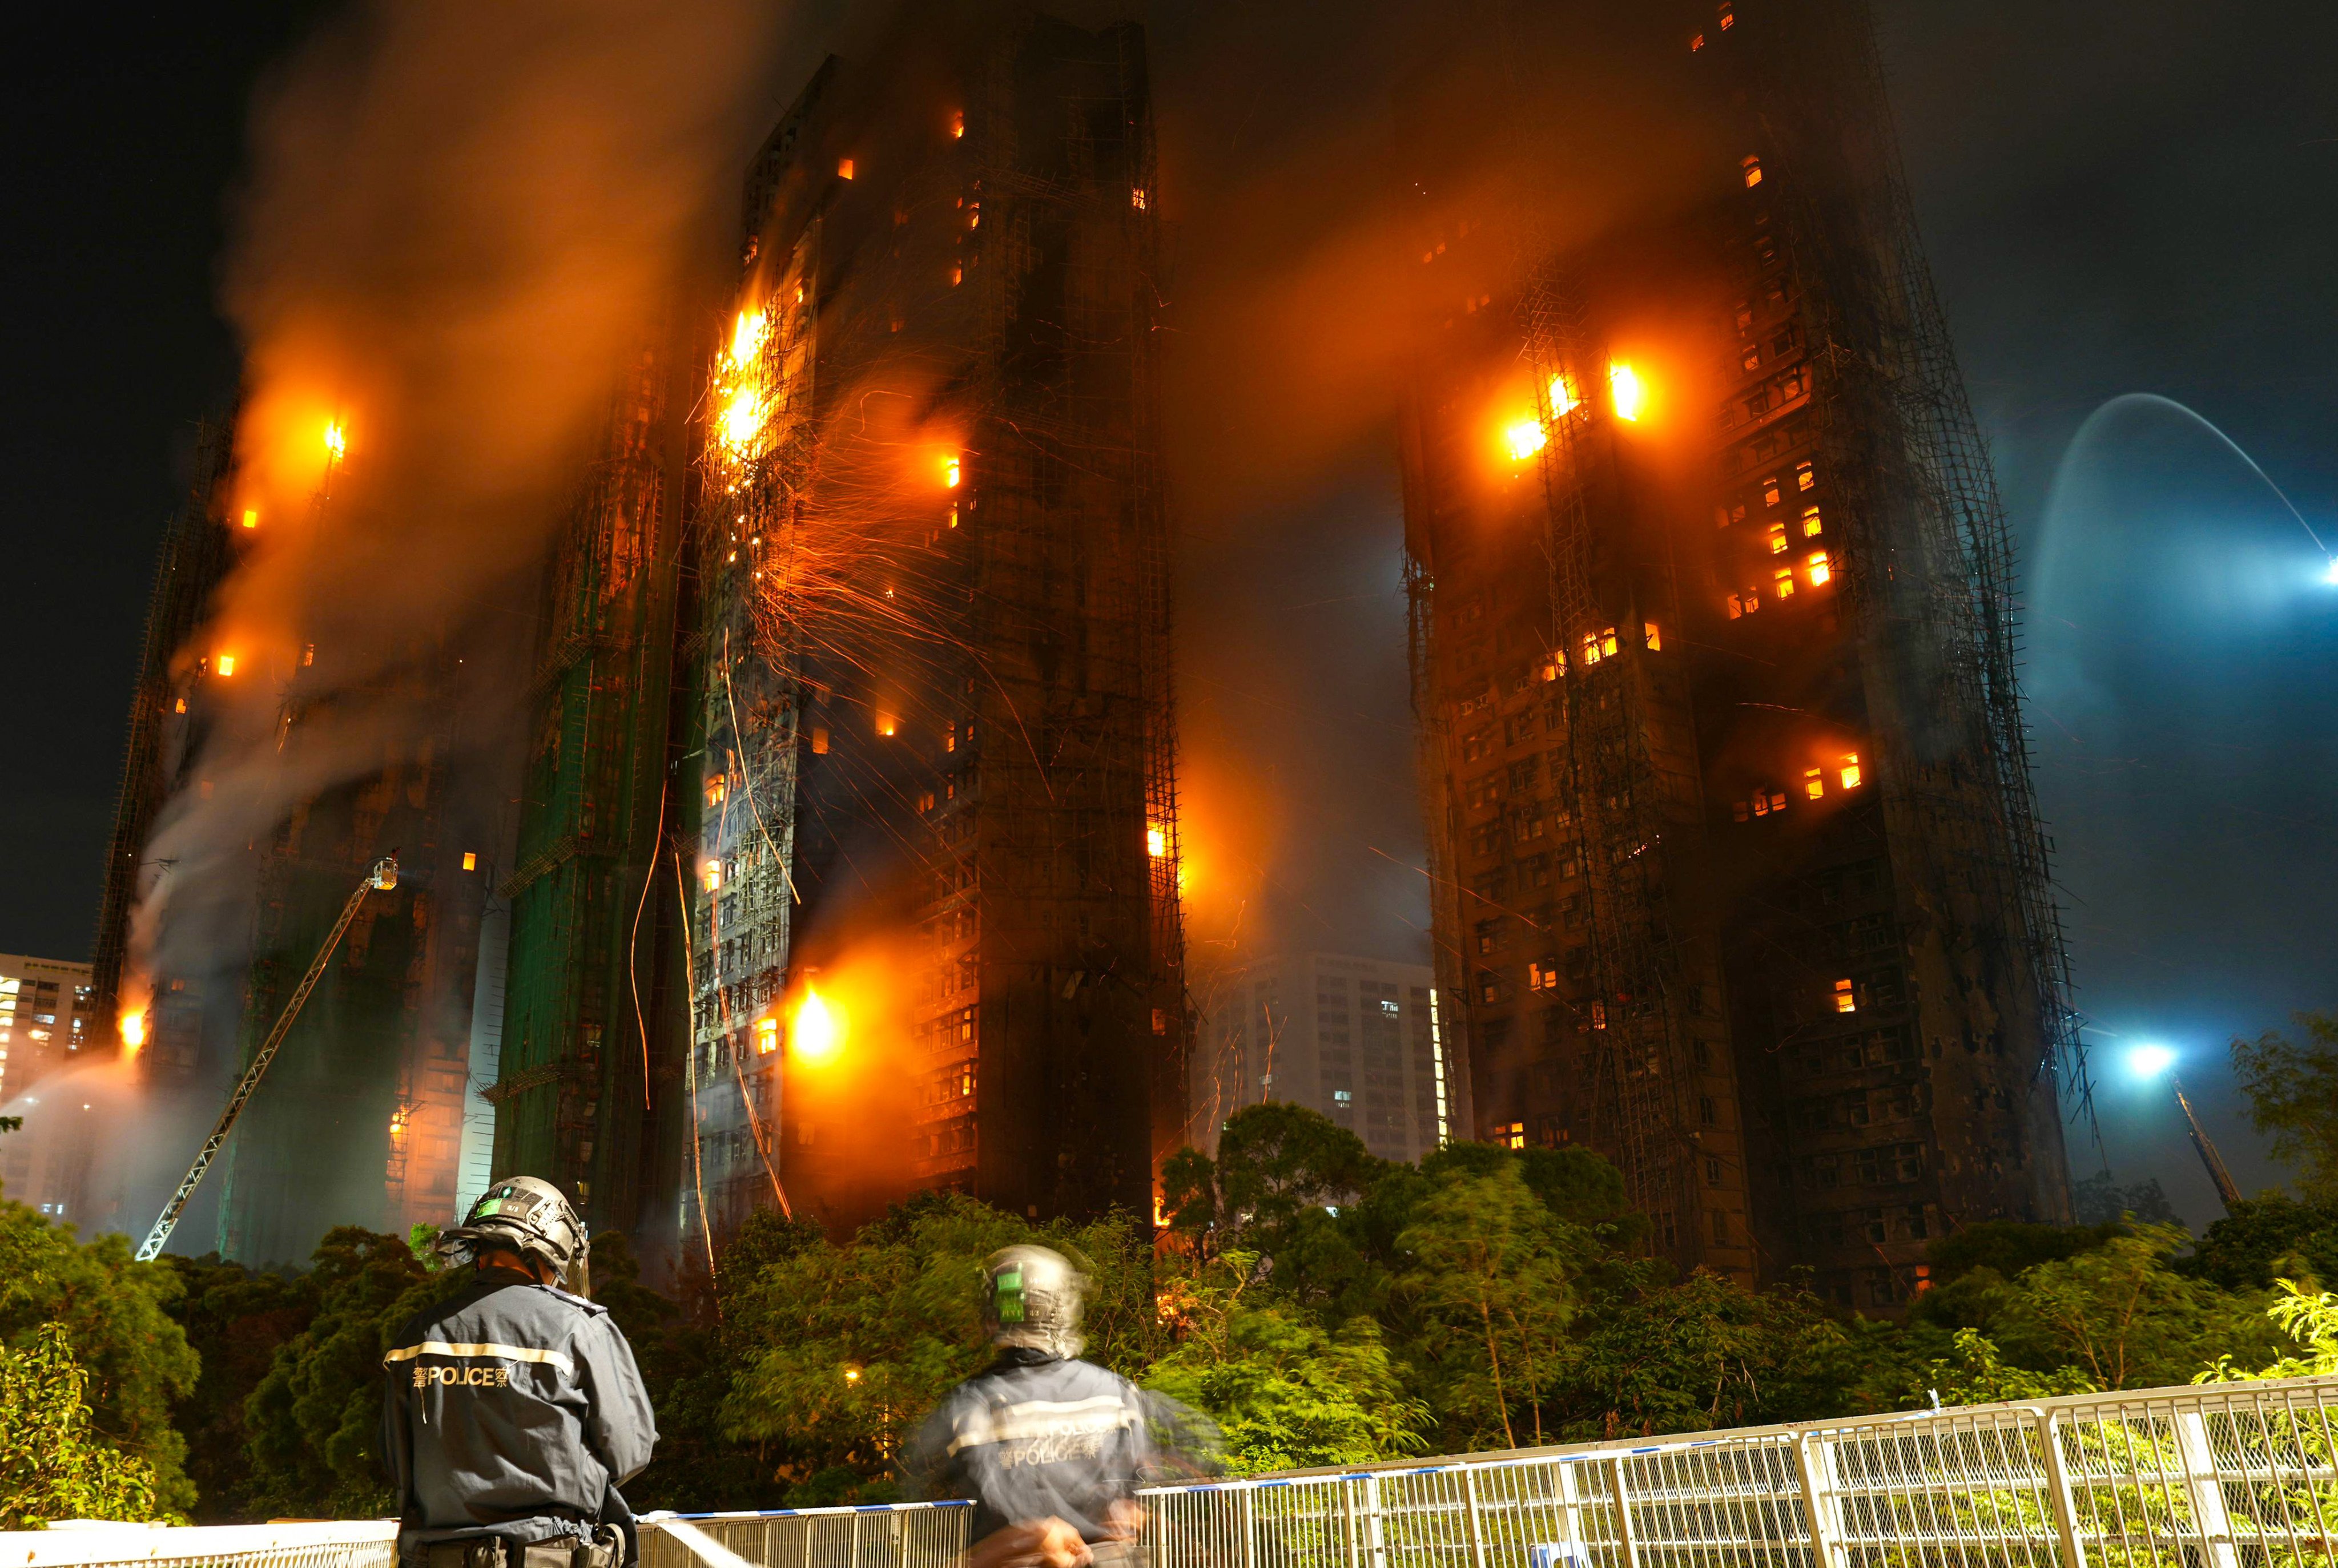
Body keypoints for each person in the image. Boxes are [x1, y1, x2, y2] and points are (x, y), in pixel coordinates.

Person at [381, 1177, 658, 1568]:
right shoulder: (579, 1329)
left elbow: (396, 1459)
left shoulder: (419, 1334)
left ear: (478, 1248)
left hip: (431, 1557)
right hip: (547, 1555)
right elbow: (630, 1452)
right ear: (553, 1247)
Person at [909, 1244, 1217, 1568]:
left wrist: (1017, 1541)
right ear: (1065, 1306)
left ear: (992, 1316)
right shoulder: (1116, 1392)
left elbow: (916, 1488)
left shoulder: (970, 1403)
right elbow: (1197, 1442)